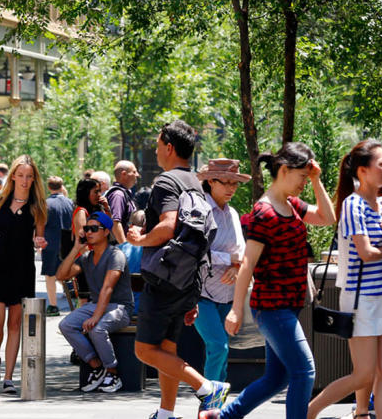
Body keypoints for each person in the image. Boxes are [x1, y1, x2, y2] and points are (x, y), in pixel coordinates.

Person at [203, 143, 336, 419]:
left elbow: (327, 217)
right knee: (304, 371)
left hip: (287, 307)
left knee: (277, 379)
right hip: (272, 309)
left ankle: (220, 417)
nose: (303, 183)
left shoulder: (291, 204)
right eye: (301, 176)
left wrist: (315, 178)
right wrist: (237, 310)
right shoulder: (265, 212)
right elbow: (248, 264)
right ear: (284, 170)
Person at [126, 120, 230, 418]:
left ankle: (208, 388)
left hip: (164, 279)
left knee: (145, 350)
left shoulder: (166, 182)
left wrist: (140, 239)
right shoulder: (195, 183)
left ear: (169, 148)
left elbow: (169, 225)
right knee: (167, 349)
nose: (157, 151)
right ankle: (166, 413)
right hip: (188, 280)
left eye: (158, 146)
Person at [306, 140, 382, 419]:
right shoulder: (352, 205)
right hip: (361, 300)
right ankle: (308, 412)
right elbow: (367, 252)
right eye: (380, 163)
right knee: (363, 376)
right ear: (362, 171)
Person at [0, 154, 48, 395]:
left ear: (34, 180)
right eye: (20, 175)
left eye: (29, 176)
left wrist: (39, 241)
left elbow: (37, 239)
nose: (25, 180)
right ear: (13, 177)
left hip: (22, 269)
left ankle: (9, 377)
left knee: (15, 323)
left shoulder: (38, 207)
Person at [57, 211, 134, 393]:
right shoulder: (86, 258)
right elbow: (61, 275)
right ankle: (96, 365)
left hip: (120, 307)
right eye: (86, 229)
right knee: (66, 324)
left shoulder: (116, 255)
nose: (89, 232)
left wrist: (96, 317)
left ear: (106, 232)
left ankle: (113, 373)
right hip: (96, 305)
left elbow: (108, 288)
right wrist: (76, 248)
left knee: (98, 329)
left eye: (93, 229)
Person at [194, 159, 249, 383]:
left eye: (235, 184)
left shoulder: (233, 213)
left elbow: (243, 251)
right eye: (225, 182)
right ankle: (209, 407)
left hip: (228, 296)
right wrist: (230, 259)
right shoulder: (199, 210)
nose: (231, 188)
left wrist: (237, 266)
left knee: (221, 354)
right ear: (210, 181)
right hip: (200, 293)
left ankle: (217, 410)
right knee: (219, 347)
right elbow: (196, 252)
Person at [43, 176, 74, 316]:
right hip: (68, 243)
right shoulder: (70, 203)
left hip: (51, 243)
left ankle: (53, 305)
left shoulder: (46, 204)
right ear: (62, 187)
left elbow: (41, 223)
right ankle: (75, 295)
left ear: (49, 187)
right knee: (68, 273)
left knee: (50, 275)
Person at [72, 178, 125, 247]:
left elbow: (110, 226)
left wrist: (106, 208)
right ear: (86, 193)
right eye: (96, 192)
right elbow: (82, 241)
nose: (99, 195)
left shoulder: (97, 209)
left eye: (100, 191)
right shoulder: (81, 212)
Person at [107, 161, 140, 233]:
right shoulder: (118, 195)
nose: (137, 175)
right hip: (118, 244)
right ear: (124, 174)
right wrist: (124, 244)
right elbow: (115, 223)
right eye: (134, 172)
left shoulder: (124, 194)